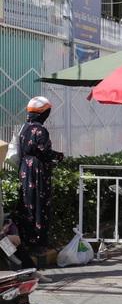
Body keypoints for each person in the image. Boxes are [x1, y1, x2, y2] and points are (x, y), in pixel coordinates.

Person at [18, 96, 64, 254]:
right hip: (38, 171)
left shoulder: (24, 127)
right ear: (43, 113)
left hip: (25, 169)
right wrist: (59, 156)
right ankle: (38, 243)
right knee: (40, 204)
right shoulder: (40, 130)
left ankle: (28, 240)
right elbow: (44, 151)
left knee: (28, 204)